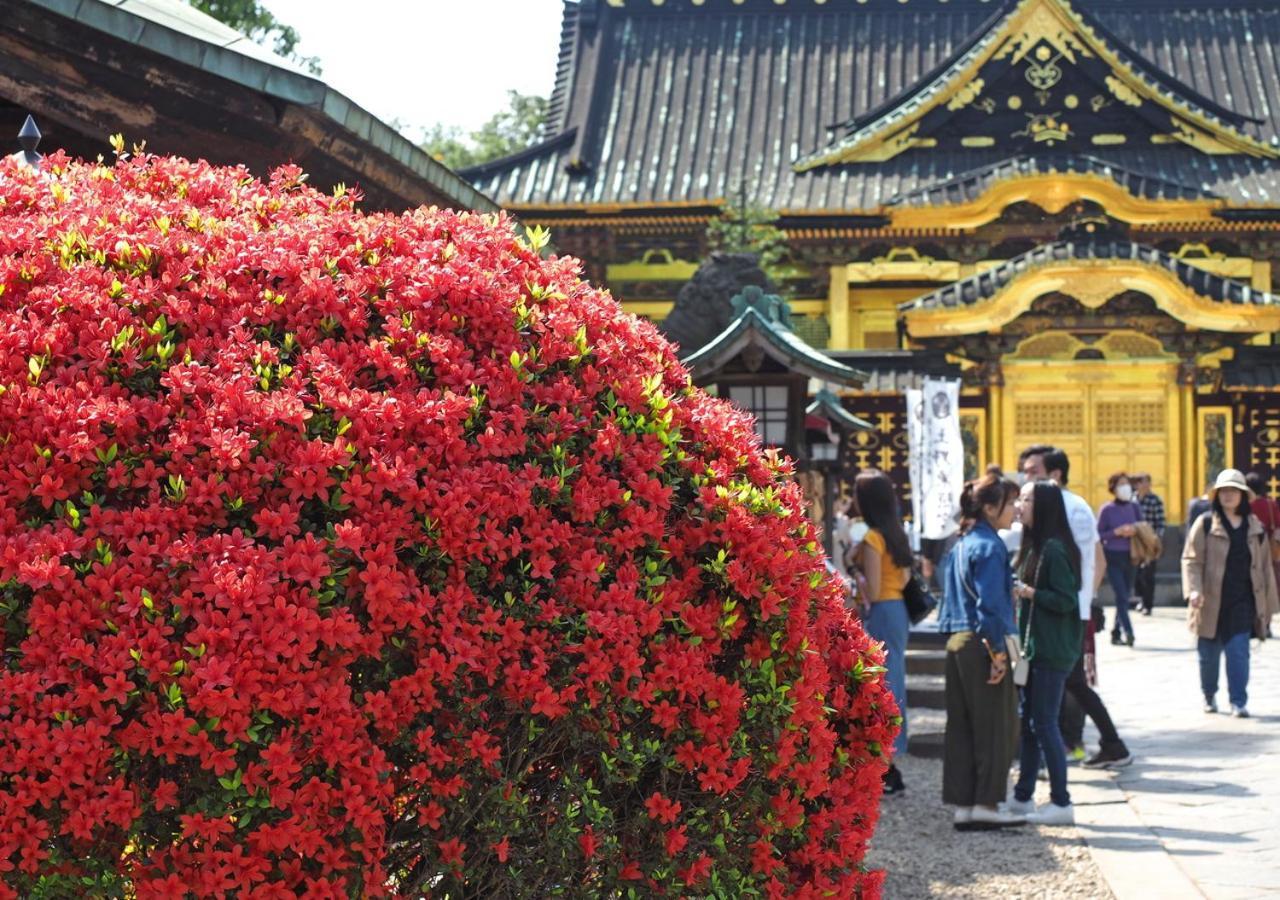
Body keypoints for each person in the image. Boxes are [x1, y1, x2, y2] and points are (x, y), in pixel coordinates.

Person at [1019, 446, 1133, 769]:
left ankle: (1071, 747)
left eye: (1032, 472)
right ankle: (1103, 743)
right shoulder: (1069, 505)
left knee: (1066, 682)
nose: (1026, 479)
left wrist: (1083, 601)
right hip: (1065, 608)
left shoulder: (1068, 507)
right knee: (1072, 682)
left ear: (1054, 475)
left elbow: (1094, 559)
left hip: (1063, 612)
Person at [937, 472, 1024, 830]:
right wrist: (998, 654)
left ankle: (965, 804)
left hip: (957, 640)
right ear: (990, 507)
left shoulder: (962, 543)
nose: (1015, 509)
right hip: (984, 642)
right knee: (995, 726)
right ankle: (987, 803)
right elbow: (990, 605)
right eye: (1008, 503)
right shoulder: (990, 546)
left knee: (961, 725)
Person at [1005, 480, 1083, 825]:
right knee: (1029, 723)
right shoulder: (1033, 545)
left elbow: (1066, 599)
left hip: (1051, 650)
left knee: (1045, 723)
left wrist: (1029, 592)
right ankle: (1023, 796)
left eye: (1026, 499)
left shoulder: (1053, 549)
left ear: (1045, 506)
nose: (1019, 505)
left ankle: (1061, 801)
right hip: (1029, 649)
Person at [1182, 469, 1280, 717]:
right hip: (1210, 601)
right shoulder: (1205, 523)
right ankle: (1209, 694)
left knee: (1239, 654)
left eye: (1233, 491)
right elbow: (1191, 560)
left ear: (1243, 496)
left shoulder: (1254, 527)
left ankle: (1238, 700)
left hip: (1243, 600)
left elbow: (1265, 567)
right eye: (1224, 491)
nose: (1228, 496)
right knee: (1209, 657)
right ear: (1217, 495)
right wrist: (1194, 591)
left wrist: (1268, 608)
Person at [853, 470, 912, 794]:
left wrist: (856, 578)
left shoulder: (872, 538)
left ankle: (887, 763)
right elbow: (902, 580)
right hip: (899, 609)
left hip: (882, 612)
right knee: (896, 682)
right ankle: (893, 757)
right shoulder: (895, 532)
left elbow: (872, 591)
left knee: (882, 687)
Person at [1097, 472, 1140, 646]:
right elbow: (1099, 534)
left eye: (1127, 483)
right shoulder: (1107, 510)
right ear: (1113, 488)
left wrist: (1134, 530)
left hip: (1132, 555)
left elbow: (1143, 527)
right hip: (1113, 555)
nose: (1125, 487)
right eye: (1121, 484)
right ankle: (1128, 631)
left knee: (1125, 595)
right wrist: (1116, 532)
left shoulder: (1134, 507)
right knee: (1121, 595)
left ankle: (1115, 632)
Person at [1132, 474, 1166, 616]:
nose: (1143, 486)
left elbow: (1161, 522)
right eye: (1140, 483)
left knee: (1148, 574)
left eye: (1146, 482)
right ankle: (1140, 598)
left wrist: (1156, 538)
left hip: (1149, 541)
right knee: (1136, 574)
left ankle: (1148, 604)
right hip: (1135, 541)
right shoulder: (1132, 500)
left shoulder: (1155, 500)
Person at [1245, 471, 1280, 592]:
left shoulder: (1244, 504)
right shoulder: (1271, 504)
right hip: (1267, 547)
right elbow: (1277, 526)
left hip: (1248, 545)